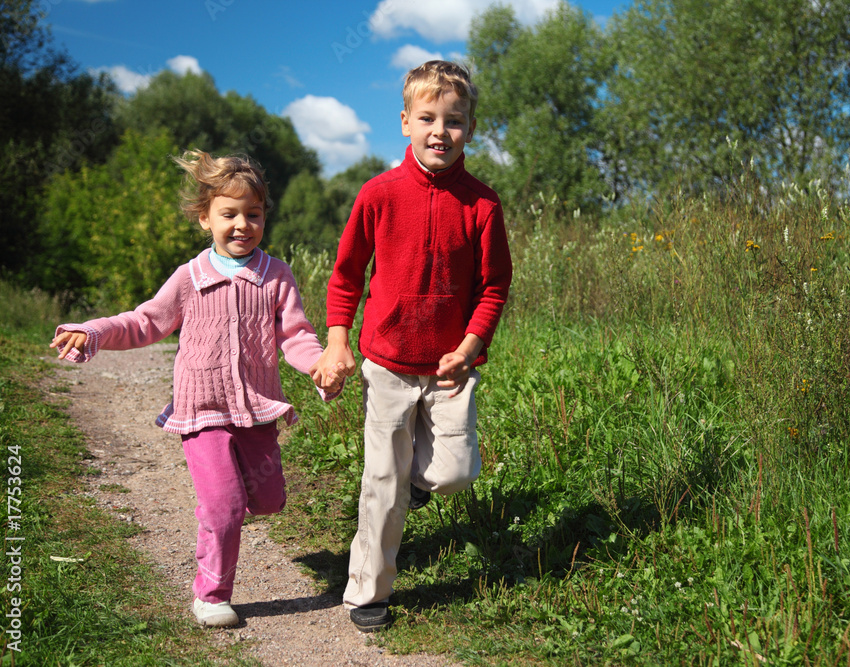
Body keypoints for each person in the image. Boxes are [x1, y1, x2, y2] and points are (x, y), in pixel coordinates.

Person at [51, 150, 338, 628]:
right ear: (205, 218)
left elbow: (296, 336)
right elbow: (144, 322)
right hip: (201, 410)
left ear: (265, 216)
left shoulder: (276, 276)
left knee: (269, 501)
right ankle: (211, 594)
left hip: (256, 411)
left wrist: (319, 365)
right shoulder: (190, 278)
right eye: (229, 214)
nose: (242, 224)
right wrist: (95, 330)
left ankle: (225, 504)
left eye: (254, 214)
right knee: (224, 507)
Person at [310, 60, 513, 633]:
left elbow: (495, 286)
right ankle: (368, 592)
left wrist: (472, 345)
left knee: (454, 472)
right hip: (387, 364)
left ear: (470, 128)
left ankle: (413, 488)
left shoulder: (482, 204)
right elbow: (347, 275)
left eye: (453, 120)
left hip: (451, 366)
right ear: (405, 122)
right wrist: (338, 343)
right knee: (379, 480)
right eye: (427, 118)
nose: (440, 131)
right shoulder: (379, 194)